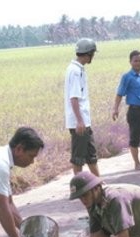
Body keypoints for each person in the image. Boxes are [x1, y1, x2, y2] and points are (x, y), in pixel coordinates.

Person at [64, 38, 100, 176]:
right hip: (79, 121)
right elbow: (74, 97)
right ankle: (79, 186)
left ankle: (98, 183)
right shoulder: (74, 71)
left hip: (83, 120)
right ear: (88, 53)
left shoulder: (78, 69)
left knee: (91, 154)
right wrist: (79, 121)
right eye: (93, 54)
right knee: (78, 157)